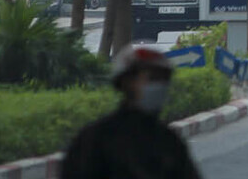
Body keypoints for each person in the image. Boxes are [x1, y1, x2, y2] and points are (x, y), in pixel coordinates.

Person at [61, 44, 202, 179]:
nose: (159, 86)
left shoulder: (170, 141)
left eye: (163, 80)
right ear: (127, 82)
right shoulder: (94, 140)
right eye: (152, 79)